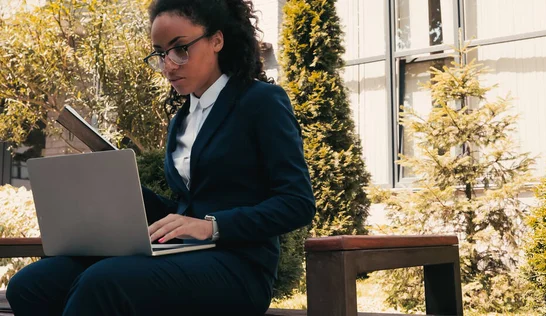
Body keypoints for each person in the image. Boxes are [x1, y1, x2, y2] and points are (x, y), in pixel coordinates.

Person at [6, 0, 316, 314]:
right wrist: (120, 192)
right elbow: (188, 208)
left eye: (180, 48)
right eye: (160, 53)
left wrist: (211, 226)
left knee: (104, 281)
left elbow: (297, 203)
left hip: (239, 266)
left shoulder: (260, 102)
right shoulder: (181, 119)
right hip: (179, 254)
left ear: (217, 40)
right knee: (31, 284)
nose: (169, 64)